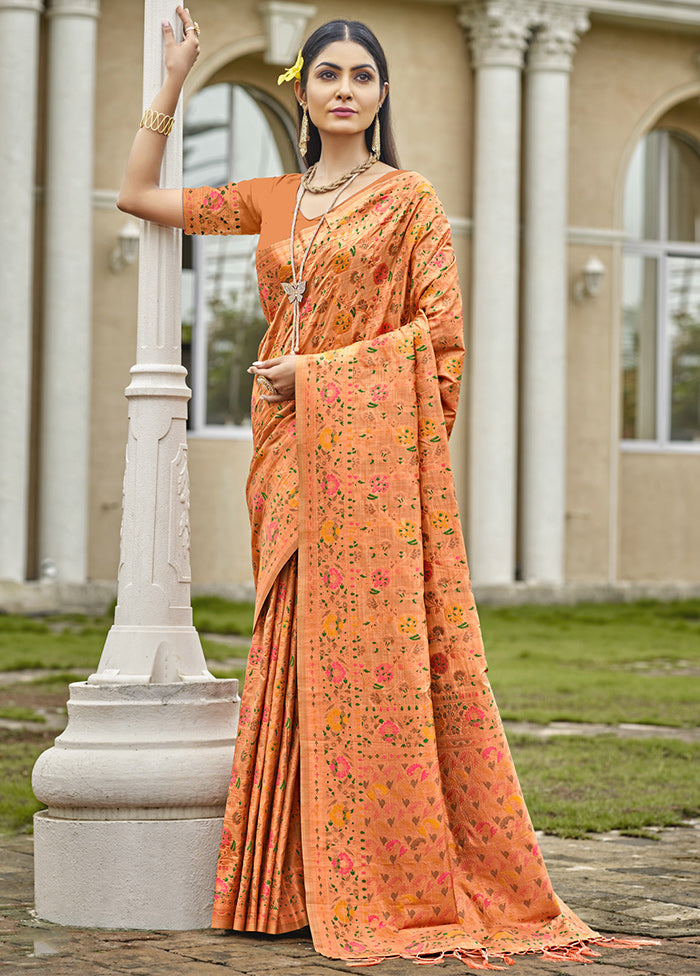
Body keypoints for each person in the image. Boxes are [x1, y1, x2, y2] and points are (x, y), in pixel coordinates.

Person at [118, 6, 650, 969]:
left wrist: (316, 375)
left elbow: (441, 344)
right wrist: (179, 76)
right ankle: (286, 886)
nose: (345, 90)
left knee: (368, 666)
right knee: (288, 648)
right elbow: (137, 196)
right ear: (304, 90)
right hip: (286, 458)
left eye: (363, 76)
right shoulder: (279, 202)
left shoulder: (409, 201)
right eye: (328, 75)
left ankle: (380, 878)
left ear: (382, 95)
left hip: (359, 462)